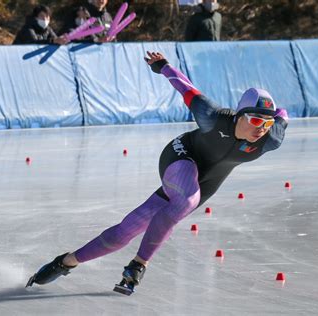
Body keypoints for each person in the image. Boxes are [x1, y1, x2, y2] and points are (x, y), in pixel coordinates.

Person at [26, 51, 289, 295]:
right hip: (180, 156)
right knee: (187, 199)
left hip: (207, 180)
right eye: (255, 120)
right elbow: (187, 88)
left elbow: (281, 118)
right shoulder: (213, 117)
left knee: (123, 234)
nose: (261, 128)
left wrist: (279, 117)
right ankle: (138, 265)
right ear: (239, 116)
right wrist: (162, 66)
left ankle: (64, 262)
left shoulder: (270, 140)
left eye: (266, 123)